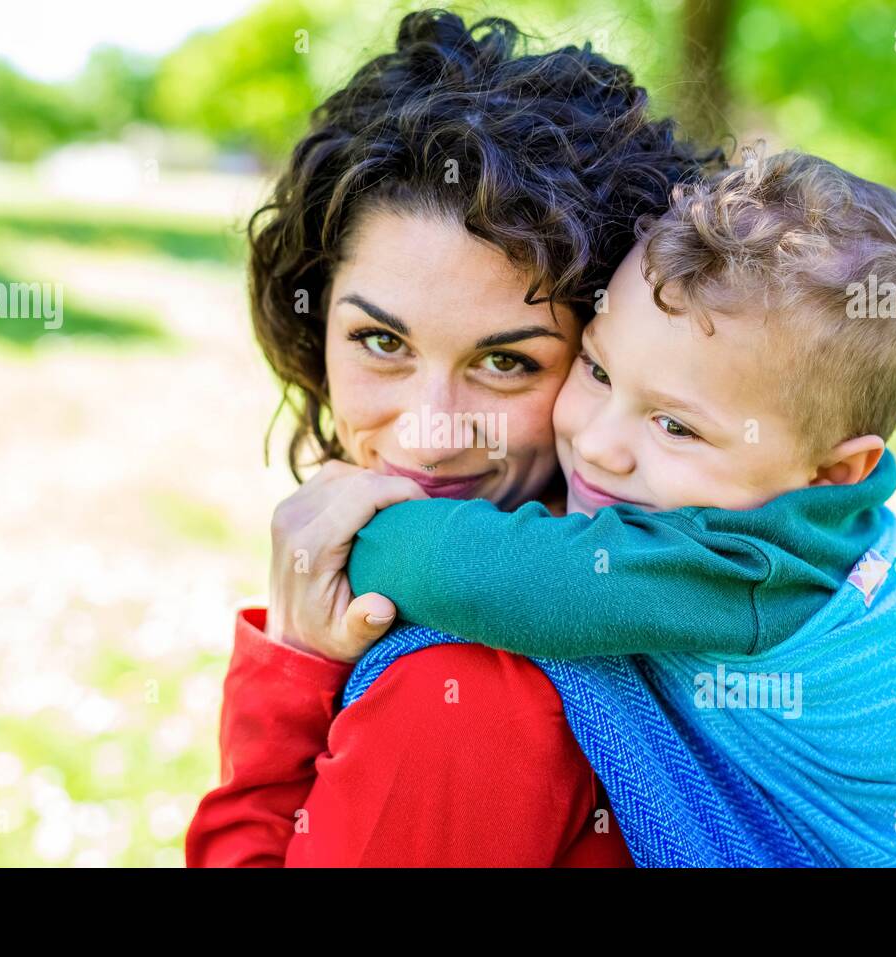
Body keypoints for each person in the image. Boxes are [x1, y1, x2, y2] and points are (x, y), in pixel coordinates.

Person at [347, 147, 896, 866]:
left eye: (676, 426)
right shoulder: (809, 518)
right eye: (599, 370)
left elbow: (505, 580)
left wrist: (362, 527)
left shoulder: (758, 565)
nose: (601, 442)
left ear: (832, 471)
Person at [185, 10, 735, 866]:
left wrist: (287, 674)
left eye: (508, 362)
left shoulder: (464, 691)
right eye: (381, 341)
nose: (429, 433)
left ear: (608, 360)